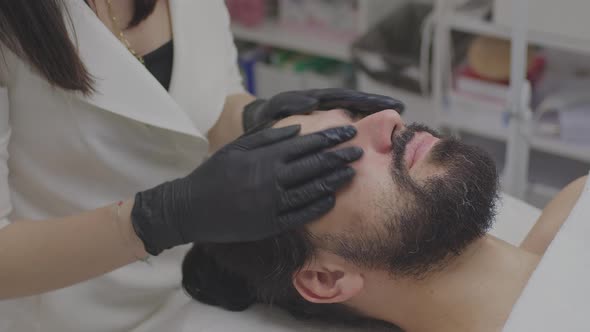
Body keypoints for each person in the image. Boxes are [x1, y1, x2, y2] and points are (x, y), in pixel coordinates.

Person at [0, 1, 404, 331]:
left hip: (195, 288)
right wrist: (158, 219)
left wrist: (253, 118)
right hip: (65, 310)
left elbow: (208, 99)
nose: (390, 128)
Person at [182, 109, 588, 332]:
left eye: (351, 118)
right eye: (327, 157)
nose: (389, 118)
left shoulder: (575, 204)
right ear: (327, 278)